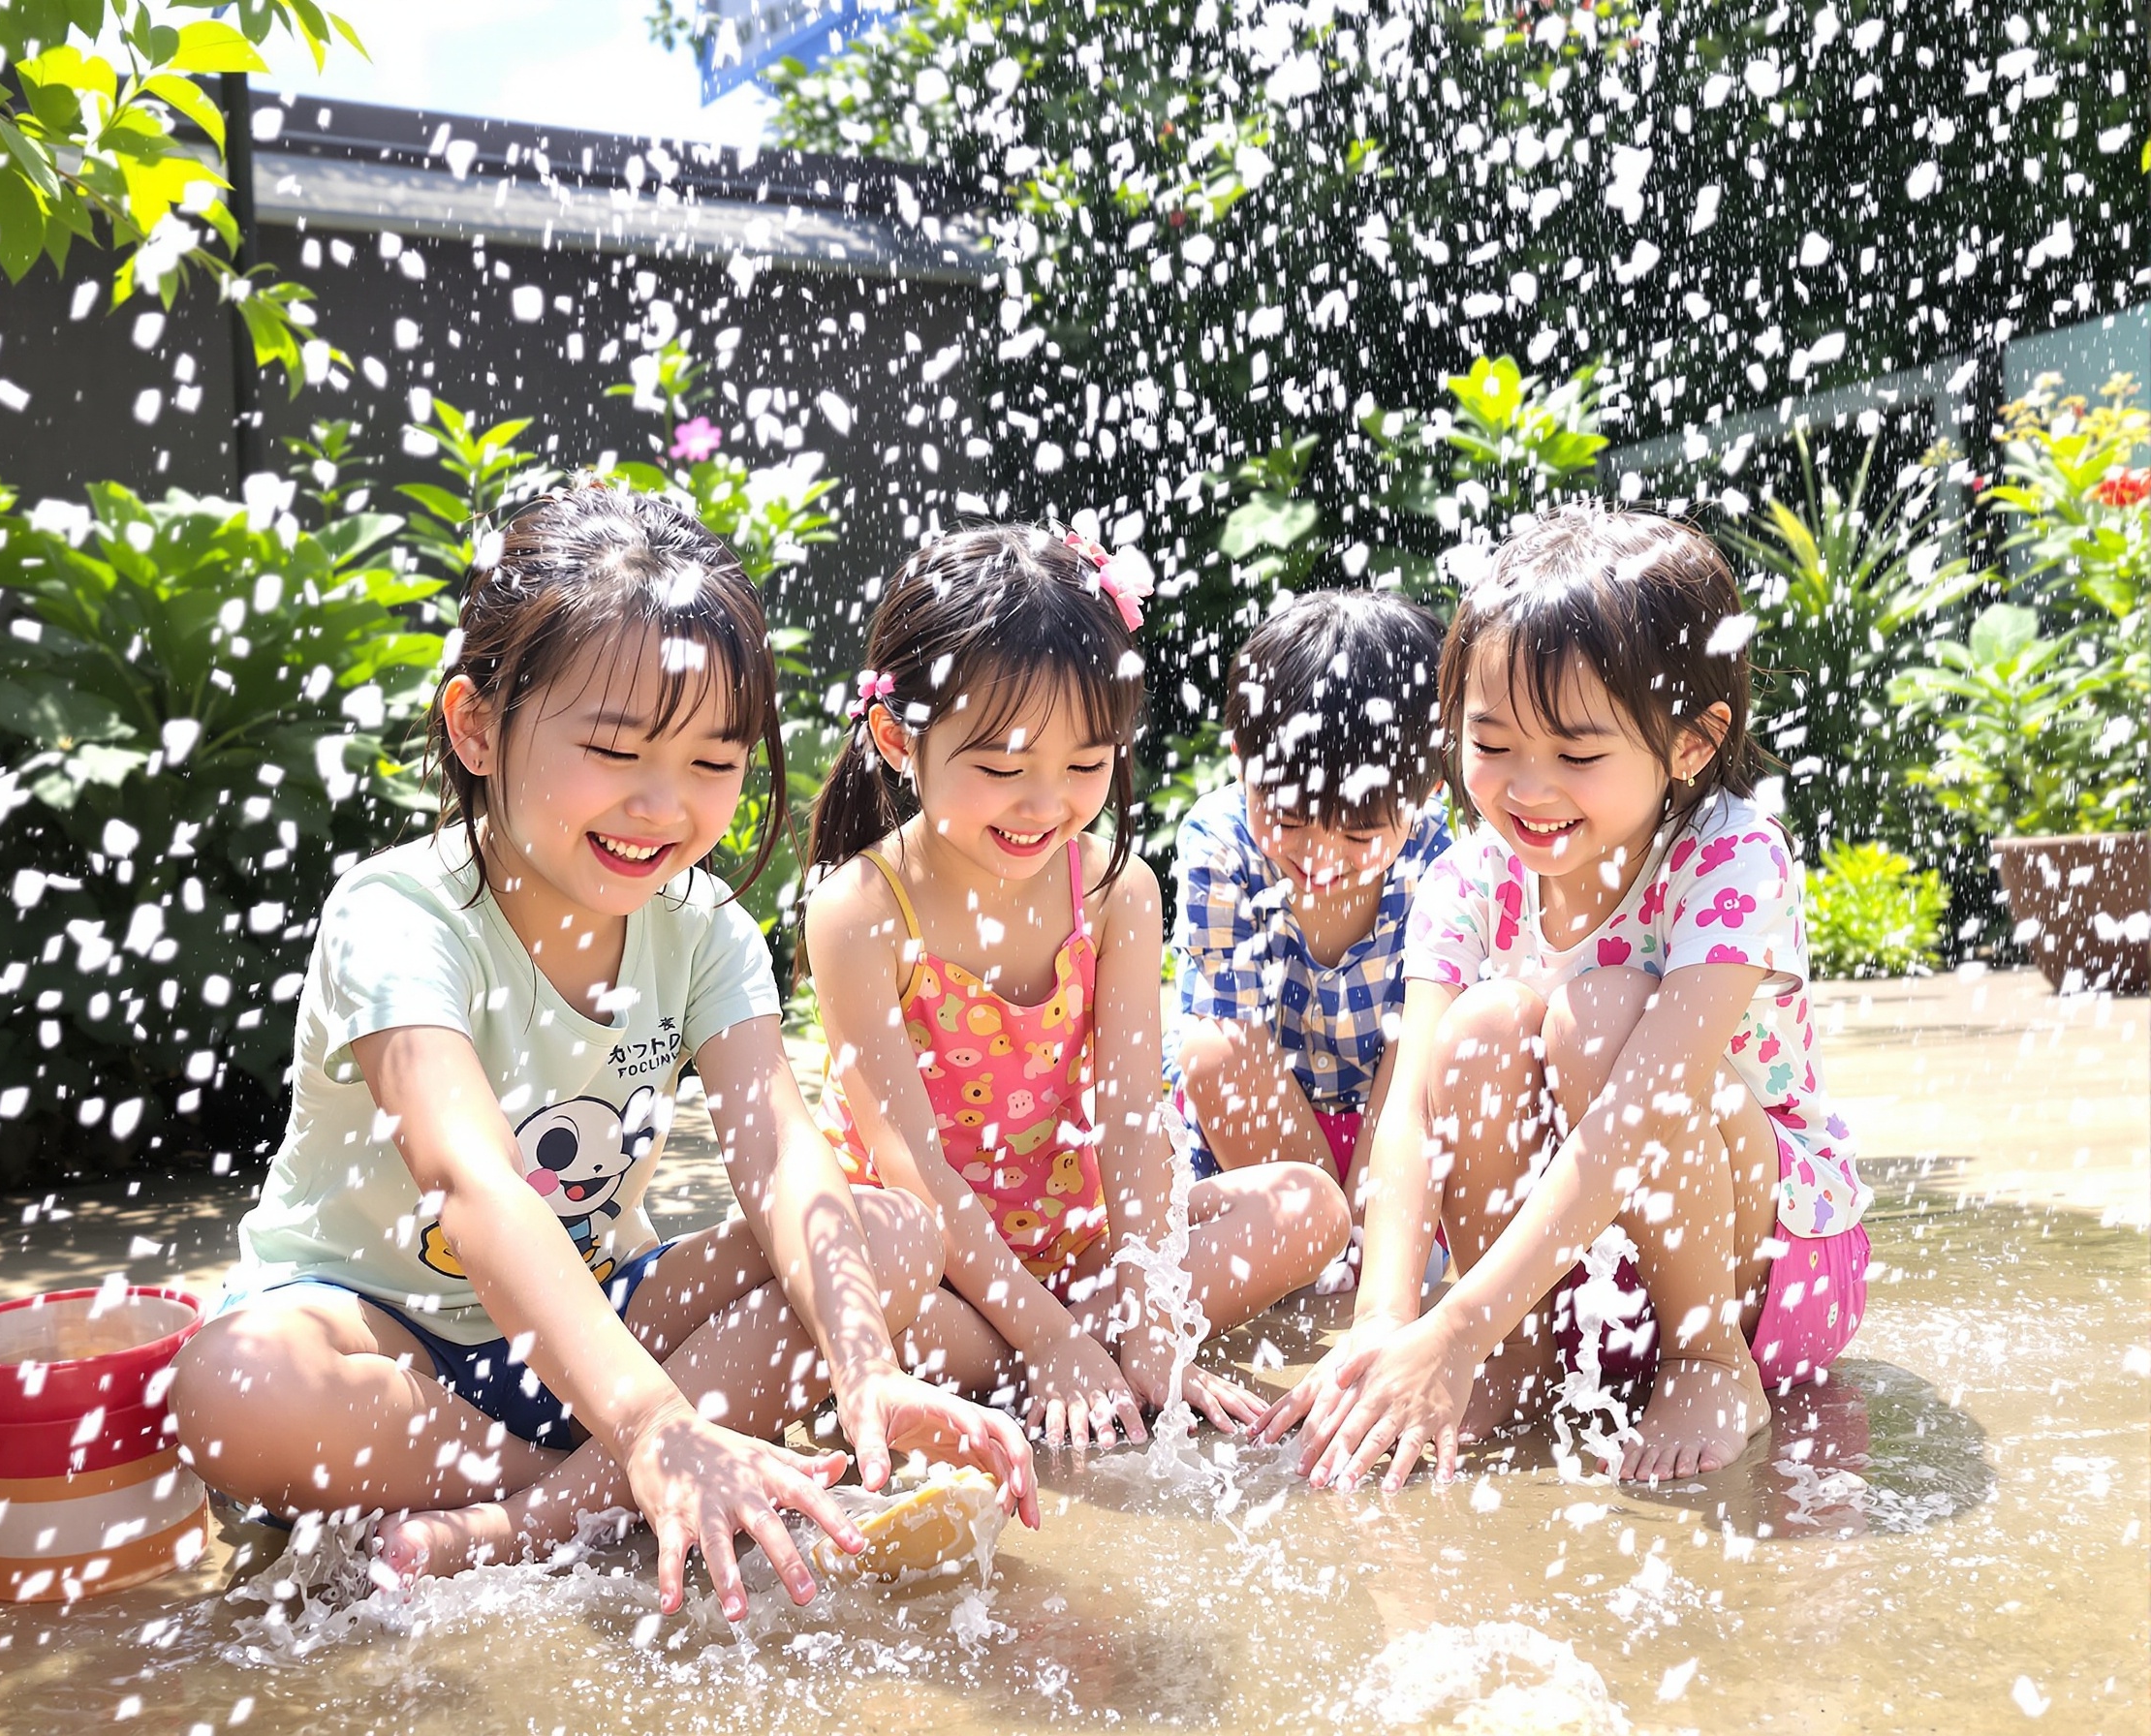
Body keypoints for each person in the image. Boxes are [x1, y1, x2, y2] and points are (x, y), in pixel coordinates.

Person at [171, 486, 1036, 1623]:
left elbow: (782, 1161)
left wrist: (866, 1365)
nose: (663, 806)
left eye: (712, 761)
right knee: (233, 1386)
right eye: (614, 749)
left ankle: (525, 1521)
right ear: (476, 726)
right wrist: (654, 1421)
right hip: (386, 1344)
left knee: (886, 1230)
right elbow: (470, 1185)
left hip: (598, 1316)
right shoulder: (400, 917)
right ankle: (632, 1471)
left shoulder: (703, 929)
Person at [1261, 507, 1870, 1488]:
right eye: (1492, 742)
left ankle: (1705, 1361)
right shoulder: (1465, 879)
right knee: (1480, 1029)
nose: (1528, 789)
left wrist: (1452, 1320)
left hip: (1763, 1265)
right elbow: (1412, 1115)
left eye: (1577, 754)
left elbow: (1642, 1111)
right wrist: (1385, 1320)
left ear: (1690, 741)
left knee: (1599, 1015)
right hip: (1573, 1273)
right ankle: (1519, 1351)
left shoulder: (1730, 855)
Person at [801, 523, 1351, 1450]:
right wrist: (1051, 1335)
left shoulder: (1113, 890)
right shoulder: (860, 910)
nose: (1044, 803)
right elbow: (915, 1167)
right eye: (1002, 768)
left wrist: (1149, 1307)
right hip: (926, 1264)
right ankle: (1044, 1357)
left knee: (1310, 1207)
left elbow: (1135, 1117)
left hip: (1077, 1250)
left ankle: (1062, 1357)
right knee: (837, 1293)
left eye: (1086, 765)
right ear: (899, 738)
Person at [1166, 591, 1454, 1254]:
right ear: (1242, 761)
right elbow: (1228, 1045)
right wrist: (1326, 1229)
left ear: (1428, 790)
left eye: (1359, 834)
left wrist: (1370, 1224)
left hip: (1392, 1129)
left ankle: (1359, 1250)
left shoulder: (1438, 857)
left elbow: (1415, 1050)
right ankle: (1318, 1253)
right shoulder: (1222, 844)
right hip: (1255, 1143)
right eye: (1289, 820)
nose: (1320, 856)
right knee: (1213, 1050)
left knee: (1456, 1043)